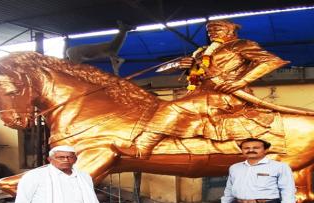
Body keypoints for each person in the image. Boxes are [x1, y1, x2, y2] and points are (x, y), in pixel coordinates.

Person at [113, 19, 288, 158]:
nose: (212, 33)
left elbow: (272, 61)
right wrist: (183, 64)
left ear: (230, 31)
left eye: (217, 30)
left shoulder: (240, 45)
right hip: (199, 92)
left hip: (225, 95)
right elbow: (178, 70)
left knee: (172, 108)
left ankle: (143, 147)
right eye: (210, 31)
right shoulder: (202, 51)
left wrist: (241, 82)